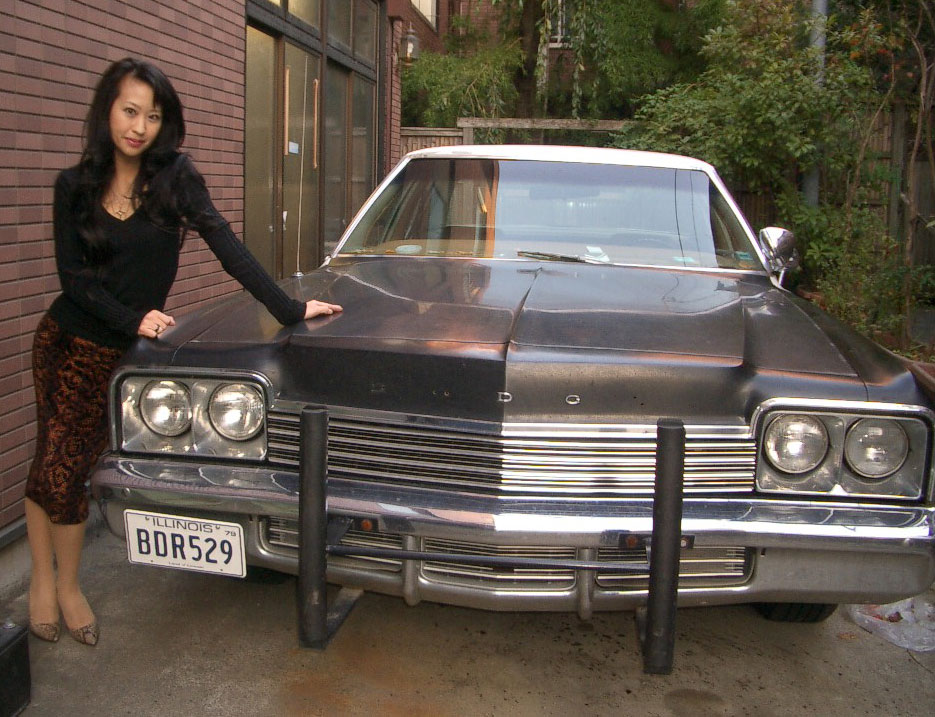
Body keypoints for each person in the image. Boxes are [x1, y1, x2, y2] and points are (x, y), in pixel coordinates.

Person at [24, 57, 342, 647]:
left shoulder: (175, 179)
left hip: (118, 358)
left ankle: (57, 582)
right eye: (129, 111)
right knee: (56, 464)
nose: (138, 127)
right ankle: (55, 585)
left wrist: (291, 308)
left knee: (63, 466)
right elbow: (75, 281)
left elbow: (227, 245)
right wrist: (134, 318)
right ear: (107, 110)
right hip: (65, 342)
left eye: (152, 116)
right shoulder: (74, 185)